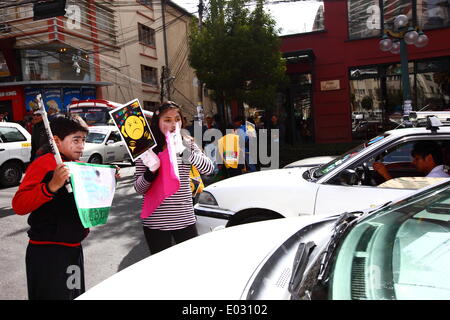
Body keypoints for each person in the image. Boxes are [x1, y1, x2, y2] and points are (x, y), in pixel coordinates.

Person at [12, 114, 90, 300]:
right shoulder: (44, 164)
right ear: (56, 141)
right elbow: (19, 204)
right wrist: (51, 186)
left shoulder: (77, 165)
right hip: (48, 252)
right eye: (76, 140)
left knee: (74, 295)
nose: (81, 145)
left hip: (73, 247)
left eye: (84, 140)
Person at [133, 101, 214, 255]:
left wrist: (184, 152)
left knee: (187, 268)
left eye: (177, 119)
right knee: (161, 270)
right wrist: (151, 171)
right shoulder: (145, 148)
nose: (173, 124)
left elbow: (208, 169)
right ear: (158, 123)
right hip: (155, 222)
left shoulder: (187, 144)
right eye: (167, 120)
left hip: (185, 219)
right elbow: (139, 188)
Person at [373, 140, 449, 181]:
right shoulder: (443, 172)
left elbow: (406, 200)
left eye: (417, 159)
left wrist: (385, 174)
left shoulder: (434, 178)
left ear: (429, 158)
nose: (413, 162)